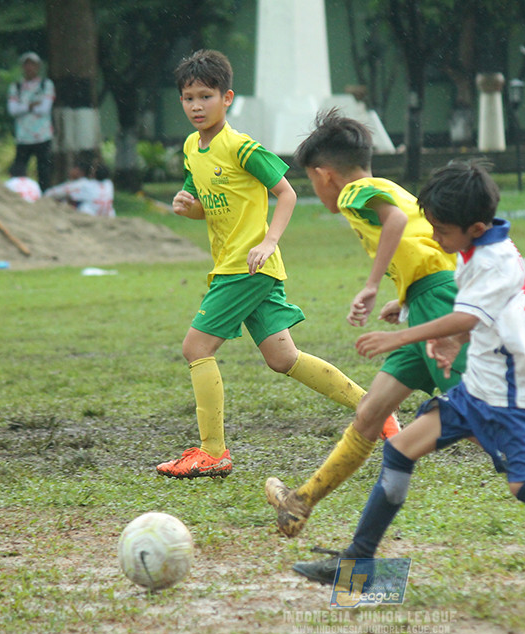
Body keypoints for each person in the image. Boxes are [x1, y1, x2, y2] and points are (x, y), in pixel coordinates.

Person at [291, 162, 525, 616]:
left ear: (474, 227)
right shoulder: (475, 248)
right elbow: (479, 310)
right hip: (476, 391)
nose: (434, 238)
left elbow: (469, 315)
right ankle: (359, 561)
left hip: (512, 399)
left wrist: (401, 337)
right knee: (399, 450)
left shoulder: (498, 260)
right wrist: (420, 315)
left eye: (440, 230)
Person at [262, 109, 525, 588]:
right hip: (429, 301)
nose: (317, 190)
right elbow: (427, 248)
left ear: (324, 175)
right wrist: (406, 298)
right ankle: (302, 501)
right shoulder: (390, 187)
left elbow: (394, 225)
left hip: (440, 307)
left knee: (481, 421)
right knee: (371, 412)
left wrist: (373, 285)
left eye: (311, 181)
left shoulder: (354, 193)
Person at [154, 49, 397, 479]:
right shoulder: (193, 148)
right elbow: (203, 207)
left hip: (245, 268)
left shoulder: (241, 147)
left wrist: (268, 242)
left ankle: (213, 452)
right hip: (241, 268)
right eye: (189, 98)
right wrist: (187, 207)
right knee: (283, 358)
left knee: (196, 348)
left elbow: (286, 193)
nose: (196, 106)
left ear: (227, 98)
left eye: (206, 96)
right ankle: (376, 411)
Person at [7, 52, 54, 192]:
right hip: (23, 136)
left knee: (44, 171)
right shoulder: (16, 87)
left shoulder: (45, 85)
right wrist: (31, 106)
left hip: (42, 135)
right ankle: (19, 194)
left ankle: (44, 196)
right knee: (19, 170)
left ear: (38, 67)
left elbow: (44, 109)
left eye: (32, 64)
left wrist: (23, 107)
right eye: (26, 64)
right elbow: (12, 110)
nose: (29, 67)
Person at [43, 162, 115, 217]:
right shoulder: (109, 184)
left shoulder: (86, 184)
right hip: (109, 215)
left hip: (90, 215)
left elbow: (66, 194)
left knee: (69, 201)